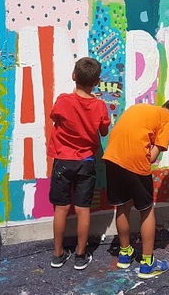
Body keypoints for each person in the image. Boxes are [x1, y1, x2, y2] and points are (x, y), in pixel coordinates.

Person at [102, 99, 169, 278]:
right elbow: (152, 157)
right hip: (135, 161)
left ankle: (125, 254)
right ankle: (148, 263)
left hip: (112, 157)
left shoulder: (142, 108)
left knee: (123, 205)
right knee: (147, 210)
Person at [48, 57, 111, 270]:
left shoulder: (63, 100)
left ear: (74, 76)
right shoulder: (100, 106)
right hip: (86, 161)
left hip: (63, 161)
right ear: (96, 82)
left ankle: (58, 254)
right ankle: (80, 255)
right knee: (83, 209)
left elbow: (54, 117)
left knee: (61, 208)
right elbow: (103, 131)